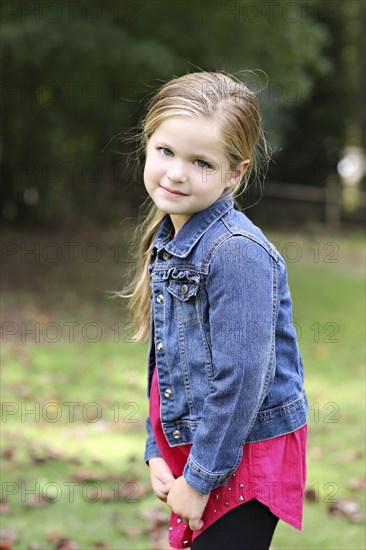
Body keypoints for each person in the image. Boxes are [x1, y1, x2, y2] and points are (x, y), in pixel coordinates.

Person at [121, 71, 308, 550]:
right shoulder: (171, 240)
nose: (177, 172)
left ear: (235, 172)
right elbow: (168, 362)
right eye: (166, 152)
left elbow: (243, 377)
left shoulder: (235, 251)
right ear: (147, 144)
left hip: (244, 448)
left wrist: (200, 478)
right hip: (207, 441)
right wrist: (155, 450)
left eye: (201, 162)